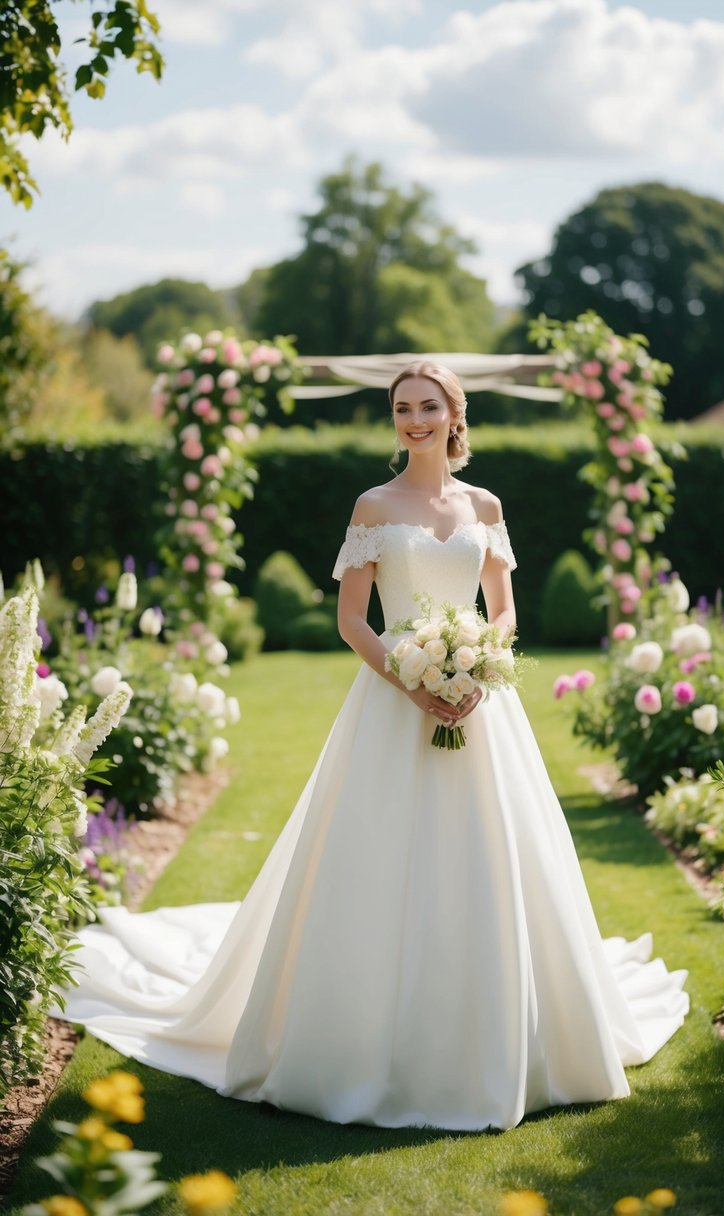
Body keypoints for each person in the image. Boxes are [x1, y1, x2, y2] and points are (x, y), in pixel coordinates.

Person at [56, 361, 688, 1132]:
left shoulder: (484, 504)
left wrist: (477, 668)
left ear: (455, 414)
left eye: (427, 406)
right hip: (393, 702)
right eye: (401, 408)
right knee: (373, 859)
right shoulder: (372, 505)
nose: (413, 419)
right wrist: (414, 681)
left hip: (479, 706)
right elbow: (353, 620)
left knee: (491, 855)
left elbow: (504, 608)